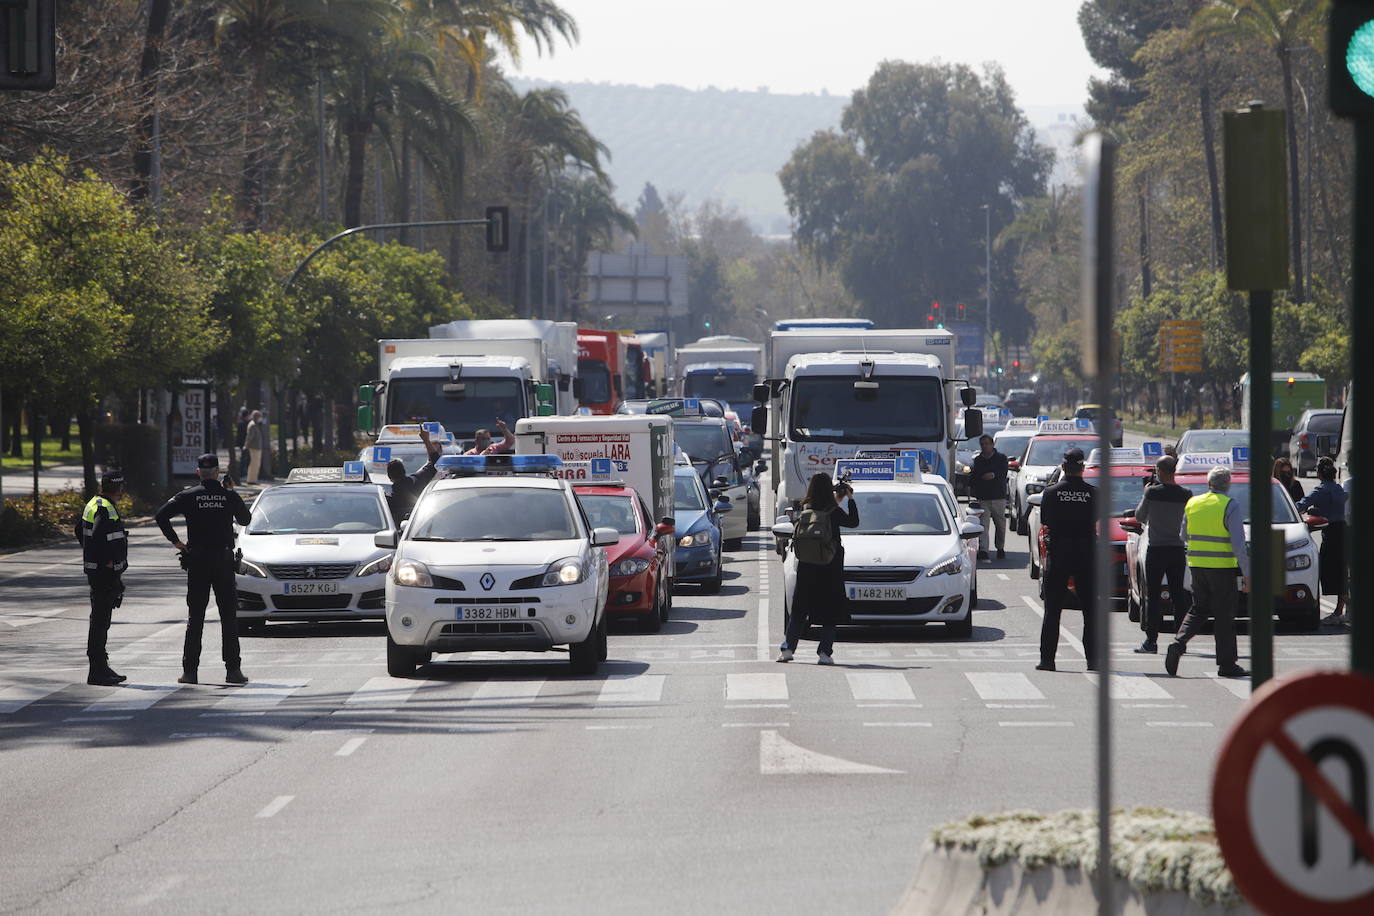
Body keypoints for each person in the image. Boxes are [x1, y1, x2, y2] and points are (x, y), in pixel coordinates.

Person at [155, 453, 253, 686]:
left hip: (197, 560)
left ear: (198, 472)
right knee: (228, 617)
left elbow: (161, 516)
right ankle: (233, 671)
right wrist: (230, 492)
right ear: (218, 472)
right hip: (222, 560)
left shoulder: (188, 495)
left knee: (195, 617)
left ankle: (190, 672)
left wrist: (177, 542)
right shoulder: (226, 495)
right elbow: (245, 519)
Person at [1165, 465, 1250, 679]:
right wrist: (1248, 575)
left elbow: (1183, 535)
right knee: (1224, 617)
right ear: (1228, 485)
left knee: (1198, 609)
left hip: (1197, 566)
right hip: (1222, 570)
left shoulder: (1193, 503)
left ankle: (1178, 643)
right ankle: (1227, 664)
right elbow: (1239, 544)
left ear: (1208, 483)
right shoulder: (1230, 505)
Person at [778, 472, 859, 665]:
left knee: (799, 609)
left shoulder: (804, 509)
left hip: (807, 566)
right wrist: (849, 498)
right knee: (829, 611)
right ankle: (824, 653)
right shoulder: (834, 511)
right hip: (830, 567)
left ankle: (788, 649)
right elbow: (853, 522)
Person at [1036, 448, 1099, 672]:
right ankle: (1093, 660)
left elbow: (1045, 521)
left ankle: (1047, 660)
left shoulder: (1051, 493)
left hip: (1059, 554)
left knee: (1052, 610)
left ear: (1063, 467)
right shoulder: (1093, 493)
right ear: (1082, 468)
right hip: (1086, 555)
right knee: (1091, 612)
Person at [1132, 455, 1191, 654]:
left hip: (1156, 549)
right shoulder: (1186, 494)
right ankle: (1180, 640)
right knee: (1178, 595)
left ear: (1162, 472)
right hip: (1177, 549)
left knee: (1153, 596)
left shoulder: (1152, 492)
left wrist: (1146, 493)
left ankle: (1151, 641)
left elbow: (1140, 516)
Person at [75, 471, 129, 686]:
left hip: (97, 571)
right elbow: (97, 535)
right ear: (119, 488)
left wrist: (89, 553)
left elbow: (79, 530)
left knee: (99, 620)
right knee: (100, 622)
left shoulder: (95, 503)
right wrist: (106, 561)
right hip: (104, 573)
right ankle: (97, 670)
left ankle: (101, 668)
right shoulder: (105, 508)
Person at [1297, 457, 1348, 626]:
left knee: (1326, 570)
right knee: (1341, 570)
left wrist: (1311, 509)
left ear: (1319, 473)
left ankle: (1336, 612)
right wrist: (1316, 509)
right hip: (1343, 530)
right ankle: (1340, 609)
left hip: (1331, 533)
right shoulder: (1339, 489)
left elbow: (1300, 505)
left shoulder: (1320, 490)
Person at [387, 427, 443, 523]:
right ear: (404, 471)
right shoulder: (418, 480)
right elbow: (436, 461)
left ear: (389, 477)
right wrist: (426, 439)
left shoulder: (388, 500)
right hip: (423, 525)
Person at [970, 434, 1009, 560]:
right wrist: (981, 478)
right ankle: (984, 550)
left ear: (992, 445)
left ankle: (1000, 547)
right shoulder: (978, 460)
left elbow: (1003, 473)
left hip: (998, 497)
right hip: (983, 497)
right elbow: (974, 477)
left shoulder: (1001, 458)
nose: (984, 446)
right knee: (983, 525)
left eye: (987, 443)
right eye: (982, 444)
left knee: (1000, 525)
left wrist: (993, 475)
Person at [244, 409, 265, 484]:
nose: (260, 418)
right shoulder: (252, 425)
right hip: (254, 447)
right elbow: (250, 437)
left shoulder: (255, 424)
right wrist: (246, 445)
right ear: (256, 417)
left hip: (256, 447)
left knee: (256, 464)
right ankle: (251, 480)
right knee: (254, 464)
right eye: (259, 416)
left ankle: (253, 479)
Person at [235, 407, 250, 479]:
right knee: (244, 459)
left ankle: (242, 473)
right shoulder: (244, 423)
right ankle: (242, 474)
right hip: (244, 443)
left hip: (242, 443)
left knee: (244, 458)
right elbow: (243, 434)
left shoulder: (240, 422)